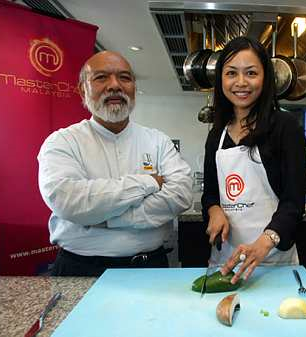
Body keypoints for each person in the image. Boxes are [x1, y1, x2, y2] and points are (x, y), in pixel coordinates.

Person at [38, 51, 193, 276]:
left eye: (124, 77)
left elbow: (180, 194)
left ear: (133, 88)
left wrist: (106, 220)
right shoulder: (62, 141)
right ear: (83, 89)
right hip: (80, 270)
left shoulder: (157, 141)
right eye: (101, 77)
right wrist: (147, 182)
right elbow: (69, 200)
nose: (114, 86)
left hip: (150, 268)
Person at [202, 36, 306, 284]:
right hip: (226, 259)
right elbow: (209, 194)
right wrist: (214, 210)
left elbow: (293, 202)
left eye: (251, 73)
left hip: (272, 259)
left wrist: (265, 242)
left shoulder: (285, 127)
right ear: (221, 79)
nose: (241, 82)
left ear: (265, 78)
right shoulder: (216, 136)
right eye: (231, 73)